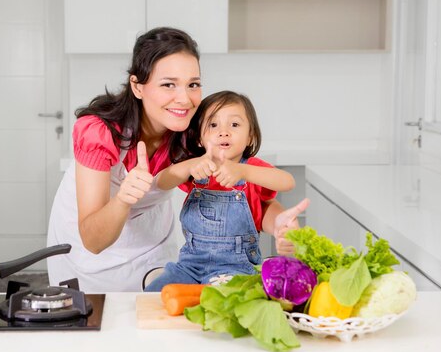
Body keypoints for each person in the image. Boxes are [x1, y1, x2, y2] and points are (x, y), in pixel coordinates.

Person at [46, 27, 204, 292]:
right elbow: (93, 240)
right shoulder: (99, 131)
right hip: (89, 258)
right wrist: (123, 199)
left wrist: (275, 219)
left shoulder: (192, 131)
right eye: (168, 84)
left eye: (193, 84)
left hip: (151, 249)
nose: (185, 98)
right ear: (137, 86)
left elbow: (239, 177)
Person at [144, 90, 304, 292]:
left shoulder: (251, 169)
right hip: (189, 267)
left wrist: (243, 171)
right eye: (213, 125)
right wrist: (191, 165)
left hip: (235, 271)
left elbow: (287, 182)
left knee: (219, 302)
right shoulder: (197, 169)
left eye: (234, 125)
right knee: (154, 294)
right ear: (200, 139)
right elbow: (162, 182)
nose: (224, 131)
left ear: (250, 137)